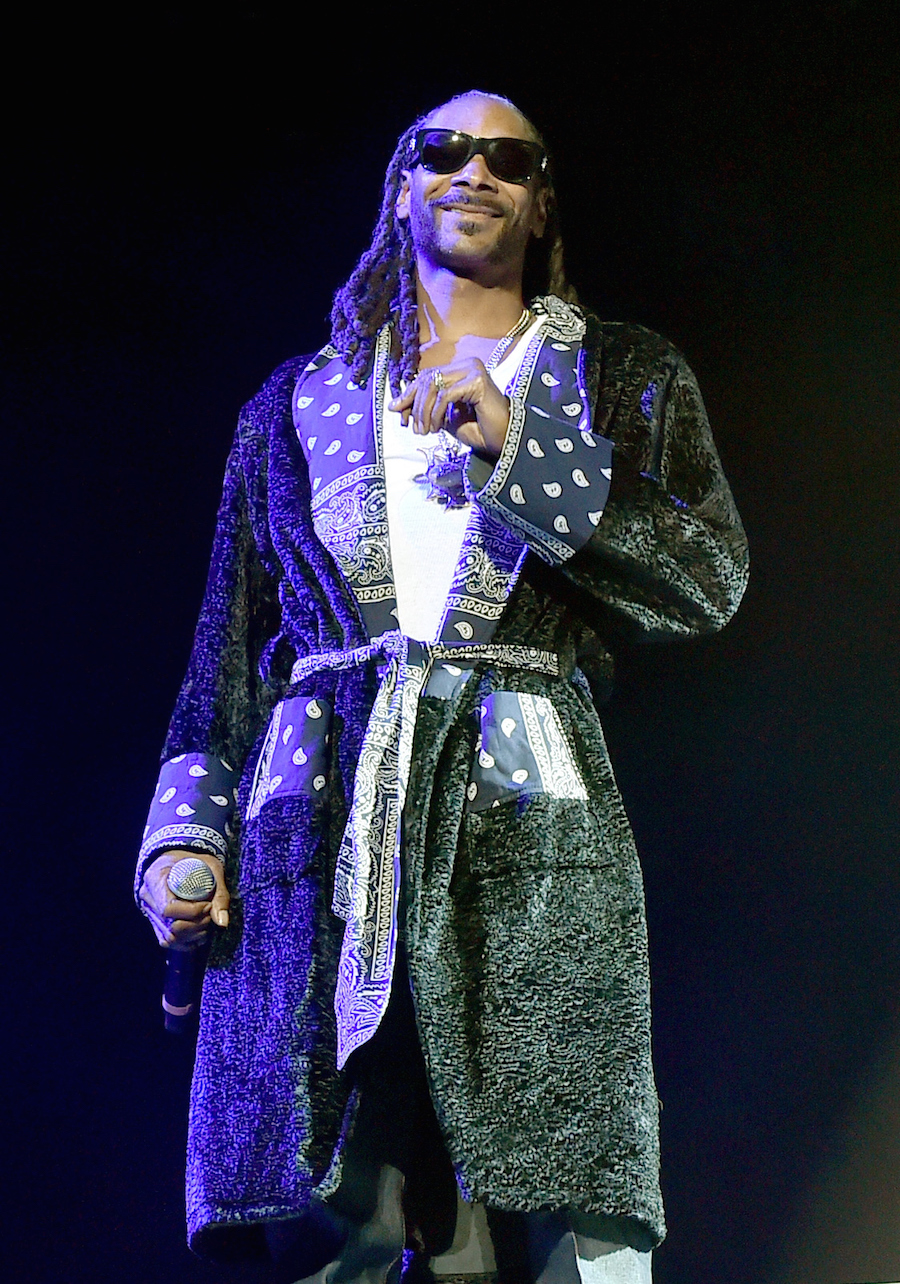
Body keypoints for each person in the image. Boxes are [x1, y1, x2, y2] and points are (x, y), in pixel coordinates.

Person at [136, 90, 749, 1284]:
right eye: (445, 150)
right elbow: (224, 653)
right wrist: (183, 840)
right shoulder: (289, 407)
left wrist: (528, 450)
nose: (477, 172)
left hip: (527, 836)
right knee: (335, 1219)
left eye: (509, 158)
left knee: (558, 1200)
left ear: (539, 199)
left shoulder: (623, 377)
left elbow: (708, 577)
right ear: (398, 184)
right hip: (314, 834)